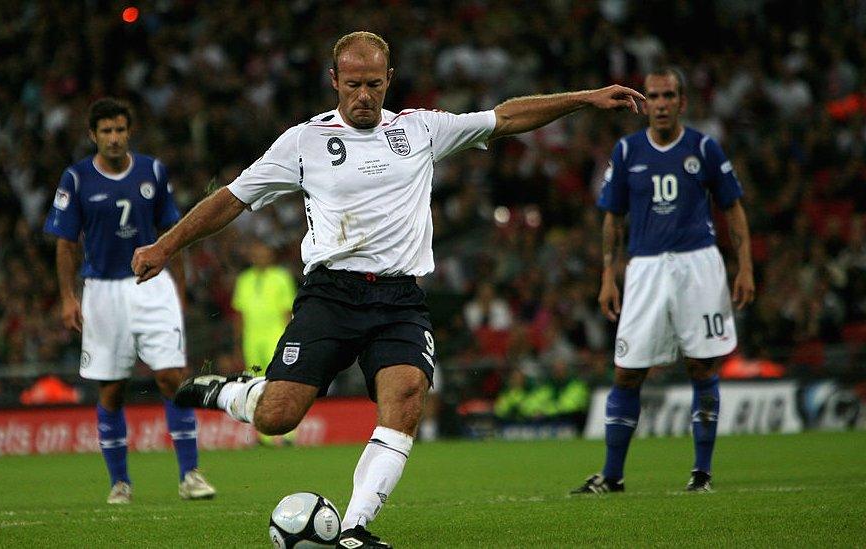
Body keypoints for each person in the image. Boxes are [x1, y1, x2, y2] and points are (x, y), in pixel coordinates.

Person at [132, 32, 643, 547]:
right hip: (330, 296)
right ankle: (232, 391)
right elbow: (232, 198)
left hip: (399, 299)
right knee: (278, 416)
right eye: (352, 84)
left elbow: (505, 118)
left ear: (388, 80)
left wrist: (584, 98)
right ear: (334, 81)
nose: (363, 95)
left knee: (406, 398)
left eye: (373, 84)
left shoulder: (419, 129)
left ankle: (353, 528)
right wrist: (166, 246)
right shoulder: (303, 142)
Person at [571, 67, 755, 495]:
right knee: (627, 371)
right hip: (646, 268)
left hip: (699, 263)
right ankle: (612, 476)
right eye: (653, 96)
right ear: (644, 104)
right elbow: (612, 218)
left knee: (702, 365)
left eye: (668, 95)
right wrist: (607, 276)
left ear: (682, 102)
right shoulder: (627, 151)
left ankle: (702, 474)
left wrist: (744, 265)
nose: (660, 103)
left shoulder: (703, 147)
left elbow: (734, 207)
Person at [44, 98, 215, 504]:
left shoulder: (152, 171)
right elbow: (66, 245)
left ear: (129, 131)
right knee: (112, 389)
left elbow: (173, 233)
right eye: (106, 131)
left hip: (151, 283)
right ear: (93, 135)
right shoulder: (77, 178)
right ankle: (120, 482)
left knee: (173, 377)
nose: (114, 138)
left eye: (120, 130)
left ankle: (190, 474)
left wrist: (180, 292)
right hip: (102, 290)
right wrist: (68, 298)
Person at [231, 241, 297, 444]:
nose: (259, 257)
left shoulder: (281, 278)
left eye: (263, 253)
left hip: (275, 336)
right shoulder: (244, 279)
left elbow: (288, 312)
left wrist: (290, 339)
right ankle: (263, 435)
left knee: (280, 382)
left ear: (271, 256)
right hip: (252, 338)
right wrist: (237, 342)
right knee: (255, 385)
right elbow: (239, 314)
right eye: (256, 253)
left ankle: (287, 433)